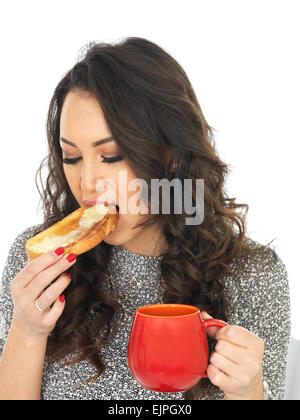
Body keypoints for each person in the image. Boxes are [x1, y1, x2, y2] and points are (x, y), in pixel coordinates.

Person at [0, 37, 290, 400]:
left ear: (170, 155)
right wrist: (27, 330)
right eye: (71, 157)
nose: (88, 182)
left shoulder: (253, 275)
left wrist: (248, 391)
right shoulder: (38, 266)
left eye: (111, 155)